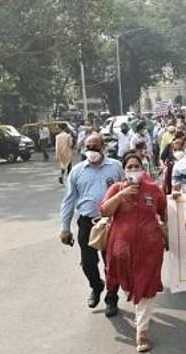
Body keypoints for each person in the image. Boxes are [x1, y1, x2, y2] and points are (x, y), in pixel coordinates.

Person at [100, 152, 167, 352]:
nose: (133, 170)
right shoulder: (116, 188)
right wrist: (121, 195)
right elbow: (104, 211)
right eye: (129, 167)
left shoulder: (153, 189)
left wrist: (177, 199)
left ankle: (142, 331)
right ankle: (140, 313)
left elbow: (165, 212)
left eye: (136, 166)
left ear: (143, 169)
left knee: (146, 286)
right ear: (124, 171)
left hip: (150, 249)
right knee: (129, 286)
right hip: (121, 251)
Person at [59, 134, 124, 316]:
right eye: (88, 146)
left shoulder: (115, 167)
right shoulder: (77, 171)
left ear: (103, 147)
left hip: (112, 222)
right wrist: (65, 228)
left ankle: (112, 298)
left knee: (111, 263)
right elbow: (69, 200)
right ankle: (96, 286)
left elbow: (126, 191)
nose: (92, 150)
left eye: (95, 146)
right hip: (87, 223)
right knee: (88, 263)